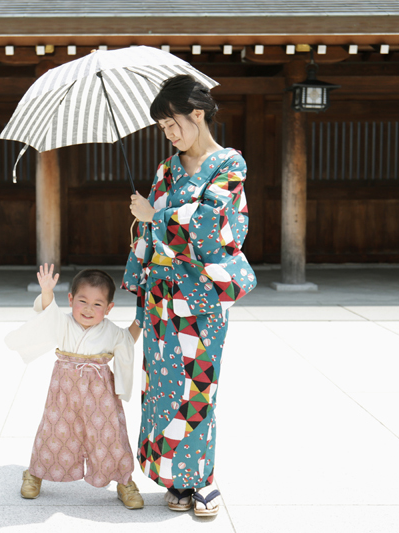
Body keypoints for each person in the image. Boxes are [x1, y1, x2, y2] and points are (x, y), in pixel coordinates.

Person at [123, 74, 257, 517]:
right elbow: (154, 229)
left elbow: (205, 228)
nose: (169, 132)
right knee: (162, 387)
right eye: (163, 127)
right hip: (161, 294)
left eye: (172, 122)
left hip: (200, 295)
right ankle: (175, 479)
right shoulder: (167, 169)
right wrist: (140, 286)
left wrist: (154, 216)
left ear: (197, 114)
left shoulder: (229, 165)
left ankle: (204, 479)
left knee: (199, 386)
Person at [5, 264, 145, 509]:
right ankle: (35, 472)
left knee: (110, 434)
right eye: (82, 301)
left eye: (98, 304)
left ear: (109, 308)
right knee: (53, 428)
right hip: (64, 388)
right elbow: (48, 313)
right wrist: (47, 291)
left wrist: (141, 320)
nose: (89, 309)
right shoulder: (64, 323)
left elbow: (127, 341)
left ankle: (124, 480)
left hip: (100, 392)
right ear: (70, 300)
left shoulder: (110, 331)